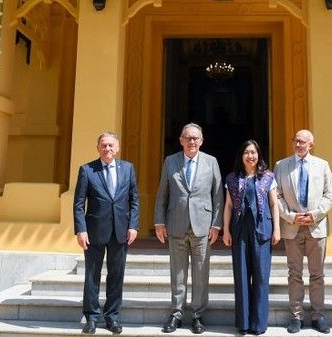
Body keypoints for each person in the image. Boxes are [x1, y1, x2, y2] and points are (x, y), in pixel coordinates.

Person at [154, 123, 223, 334]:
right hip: (176, 224)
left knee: (201, 273)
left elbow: (218, 196)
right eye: (188, 138)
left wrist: (216, 224)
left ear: (201, 141)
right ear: (181, 140)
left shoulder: (211, 162)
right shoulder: (170, 161)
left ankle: (197, 314)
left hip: (202, 226)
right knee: (178, 273)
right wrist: (159, 222)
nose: (192, 142)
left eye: (195, 138)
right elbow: (162, 193)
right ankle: (176, 313)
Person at [73, 131, 140, 335]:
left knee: (116, 275)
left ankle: (112, 317)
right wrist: (81, 230)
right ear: (98, 148)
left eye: (111, 145)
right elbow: (78, 204)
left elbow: (134, 200)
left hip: (120, 231)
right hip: (94, 231)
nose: (107, 149)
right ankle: (91, 318)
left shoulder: (128, 169)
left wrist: (133, 225)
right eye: (104, 145)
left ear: (117, 148)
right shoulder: (87, 170)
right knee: (92, 275)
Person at [273, 129, 332, 334]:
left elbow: (329, 195)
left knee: (317, 274)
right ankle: (296, 316)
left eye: (302, 142)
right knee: (294, 274)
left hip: (316, 227)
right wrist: (291, 216)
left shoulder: (323, 165)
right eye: (295, 141)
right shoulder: (281, 166)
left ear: (311, 144)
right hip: (292, 227)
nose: (298, 145)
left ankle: (318, 316)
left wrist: (315, 214)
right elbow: (277, 196)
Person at [222, 139, 281, 336]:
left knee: (261, 277)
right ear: (241, 156)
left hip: (262, 229)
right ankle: (244, 322)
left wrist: (277, 230)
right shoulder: (232, 179)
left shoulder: (268, 177)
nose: (251, 156)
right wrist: (226, 231)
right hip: (239, 230)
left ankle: (258, 323)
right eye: (247, 152)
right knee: (241, 276)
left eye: (254, 152)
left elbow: (274, 204)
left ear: (259, 155)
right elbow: (229, 206)